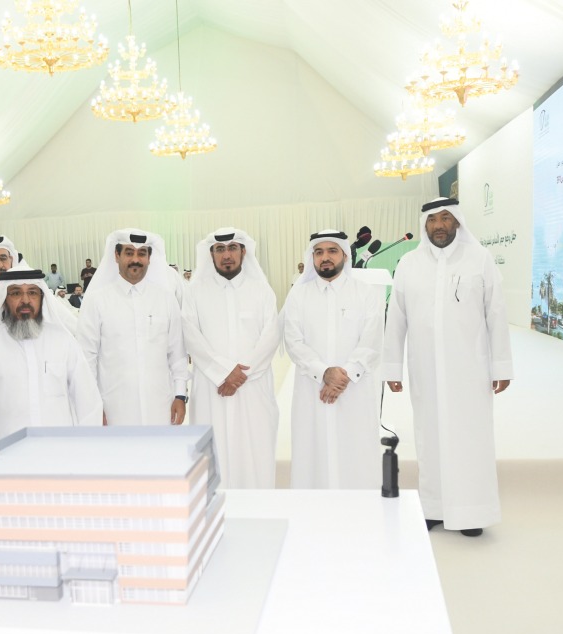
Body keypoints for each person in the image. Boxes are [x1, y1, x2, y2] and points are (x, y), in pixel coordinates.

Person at [384, 198, 512, 537]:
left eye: (445, 218)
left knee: (470, 438)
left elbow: (496, 313)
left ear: (457, 221)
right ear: (424, 225)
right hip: (425, 369)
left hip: (470, 370)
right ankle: (434, 508)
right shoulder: (409, 264)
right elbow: (396, 318)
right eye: (432, 220)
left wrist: (501, 366)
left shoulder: (479, 258)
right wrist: (392, 369)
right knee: (429, 437)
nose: (439, 225)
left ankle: (472, 512)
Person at [283, 230, 385, 489]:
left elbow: (372, 339)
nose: (325, 257)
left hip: (354, 389)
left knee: (356, 450)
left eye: (332, 251)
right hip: (312, 388)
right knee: (312, 452)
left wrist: (345, 375)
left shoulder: (365, 293)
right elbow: (293, 341)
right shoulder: (298, 295)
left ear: (345, 255)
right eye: (318, 252)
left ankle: (357, 508)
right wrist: (323, 372)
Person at [181, 228, 279, 489]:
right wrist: (224, 372)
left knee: (255, 449)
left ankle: (256, 507)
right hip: (212, 386)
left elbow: (271, 337)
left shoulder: (261, 290)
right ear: (211, 254)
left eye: (232, 248)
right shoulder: (195, 291)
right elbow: (191, 336)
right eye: (220, 249)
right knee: (213, 452)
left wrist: (240, 375)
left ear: (243, 252)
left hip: (252, 387)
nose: (227, 255)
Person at [0, 263, 102, 439]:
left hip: (59, 449)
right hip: (8, 451)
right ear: (4, 300)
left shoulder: (63, 341)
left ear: (42, 298)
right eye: (16, 293)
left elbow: (88, 402)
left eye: (32, 292)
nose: (25, 300)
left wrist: (87, 447)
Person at [76, 229, 188, 426]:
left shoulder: (165, 298)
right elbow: (87, 358)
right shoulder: (96, 301)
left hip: (160, 406)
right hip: (114, 408)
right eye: (129, 253)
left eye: (141, 253)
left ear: (149, 258)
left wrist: (180, 395)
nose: (135, 259)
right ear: (116, 255)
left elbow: (177, 353)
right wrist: (93, 406)